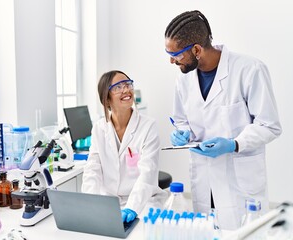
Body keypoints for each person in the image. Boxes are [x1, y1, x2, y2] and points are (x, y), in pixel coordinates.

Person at [164, 10, 282, 230]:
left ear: (197, 50)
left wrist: (233, 144)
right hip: (203, 177)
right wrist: (183, 133)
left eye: (176, 54)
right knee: (206, 230)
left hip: (239, 178)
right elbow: (181, 119)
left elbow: (270, 125)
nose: (171, 60)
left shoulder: (249, 70)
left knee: (245, 231)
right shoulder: (184, 79)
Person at [81, 70, 167, 223]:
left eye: (128, 85)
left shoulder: (148, 126)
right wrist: (88, 202)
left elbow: (148, 171)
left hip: (143, 200)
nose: (126, 90)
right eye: (118, 87)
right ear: (106, 99)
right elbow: (92, 169)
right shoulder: (99, 128)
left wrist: (132, 207)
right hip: (109, 201)